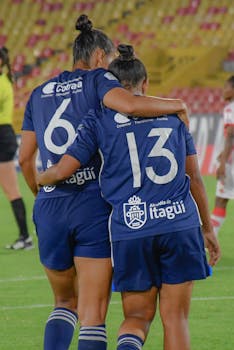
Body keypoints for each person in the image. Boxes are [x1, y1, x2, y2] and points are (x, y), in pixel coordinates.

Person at [19, 15, 189, 350]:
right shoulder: (98, 80)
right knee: (93, 314)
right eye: (110, 62)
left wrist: (43, 194)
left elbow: (26, 158)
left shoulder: (38, 93)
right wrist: (177, 105)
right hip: (92, 204)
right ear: (100, 57)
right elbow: (129, 104)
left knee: (63, 303)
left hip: (50, 205)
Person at [37, 44, 221, 350]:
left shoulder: (98, 120)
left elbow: (65, 168)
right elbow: (196, 180)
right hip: (178, 223)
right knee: (175, 318)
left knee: (136, 319)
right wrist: (207, 228)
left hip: (131, 228)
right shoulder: (173, 117)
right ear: (145, 83)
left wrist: (43, 177)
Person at [0, 46, 33, 250]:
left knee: (11, 189)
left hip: (2, 136)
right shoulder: (5, 81)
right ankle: (25, 237)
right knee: (10, 189)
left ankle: (25, 236)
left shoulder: (2, 83)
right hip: (5, 135)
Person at [211, 75, 234, 237]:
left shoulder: (230, 109)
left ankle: (208, 245)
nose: (223, 90)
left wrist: (223, 163)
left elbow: (231, 135)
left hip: (231, 164)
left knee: (220, 200)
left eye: (226, 87)